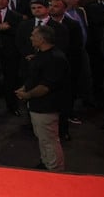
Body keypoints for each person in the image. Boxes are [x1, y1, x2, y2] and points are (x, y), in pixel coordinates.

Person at [16, 25, 68, 171]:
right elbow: (35, 78)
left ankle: (55, 169)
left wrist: (28, 94)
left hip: (47, 106)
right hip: (37, 105)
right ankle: (46, 163)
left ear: (42, 38)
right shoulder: (41, 55)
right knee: (42, 137)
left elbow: (46, 86)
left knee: (49, 140)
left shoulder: (55, 58)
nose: (31, 37)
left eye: (33, 35)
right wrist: (25, 88)